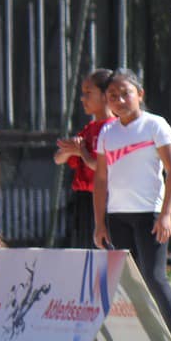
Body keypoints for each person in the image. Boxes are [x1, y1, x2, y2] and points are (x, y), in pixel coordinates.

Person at [92, 68, 171, 341]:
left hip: (150, 214)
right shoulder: (107, 132)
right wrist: (99, 223)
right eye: (112, 96)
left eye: (126, 93)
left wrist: (166, 214)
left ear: (140, 94)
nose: (120, 100)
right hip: (118, 216)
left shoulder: (155, 125)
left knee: (155, 277)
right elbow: (100, 179)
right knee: (129, 282)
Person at [54, 68, 114, 248]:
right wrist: (69, 149)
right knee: (83, 248)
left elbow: (101, 167)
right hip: (83, 199)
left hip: (106, 198)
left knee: (106, 248)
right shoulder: (89, 129)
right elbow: (58, 159)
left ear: (105, 96)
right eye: (83, 93)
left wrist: (82, 152)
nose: (83, 98)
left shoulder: (114, 128)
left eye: (88, 93)